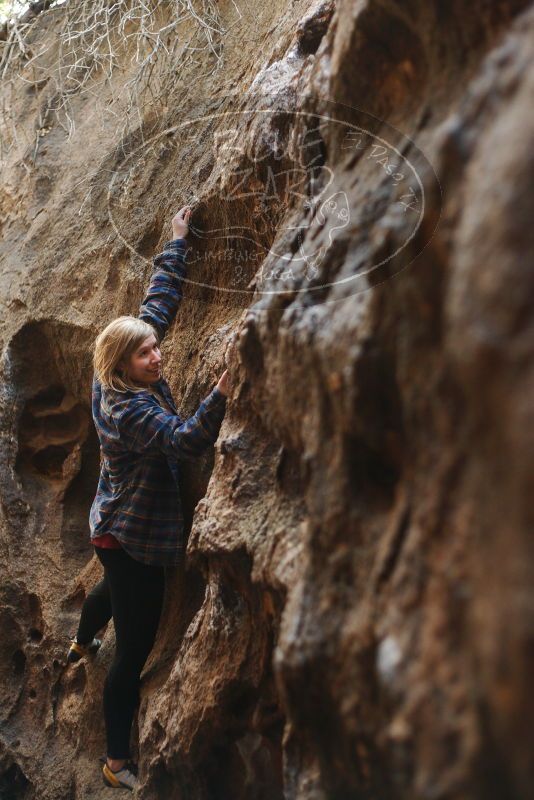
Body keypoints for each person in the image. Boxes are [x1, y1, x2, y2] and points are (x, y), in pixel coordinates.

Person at [66, 206, 229, 792]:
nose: (157, 357)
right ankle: (115, 761)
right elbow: (185, 442)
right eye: (147, 355)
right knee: (133, 648)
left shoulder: (113, 368)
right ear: (123, 365)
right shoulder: (129, 408)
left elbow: (157, 305)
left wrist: (177, 240)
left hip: (112, 523)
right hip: (131, 534)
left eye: (155, 349)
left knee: (111, 590)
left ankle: (80, 639)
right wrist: (223, 390)